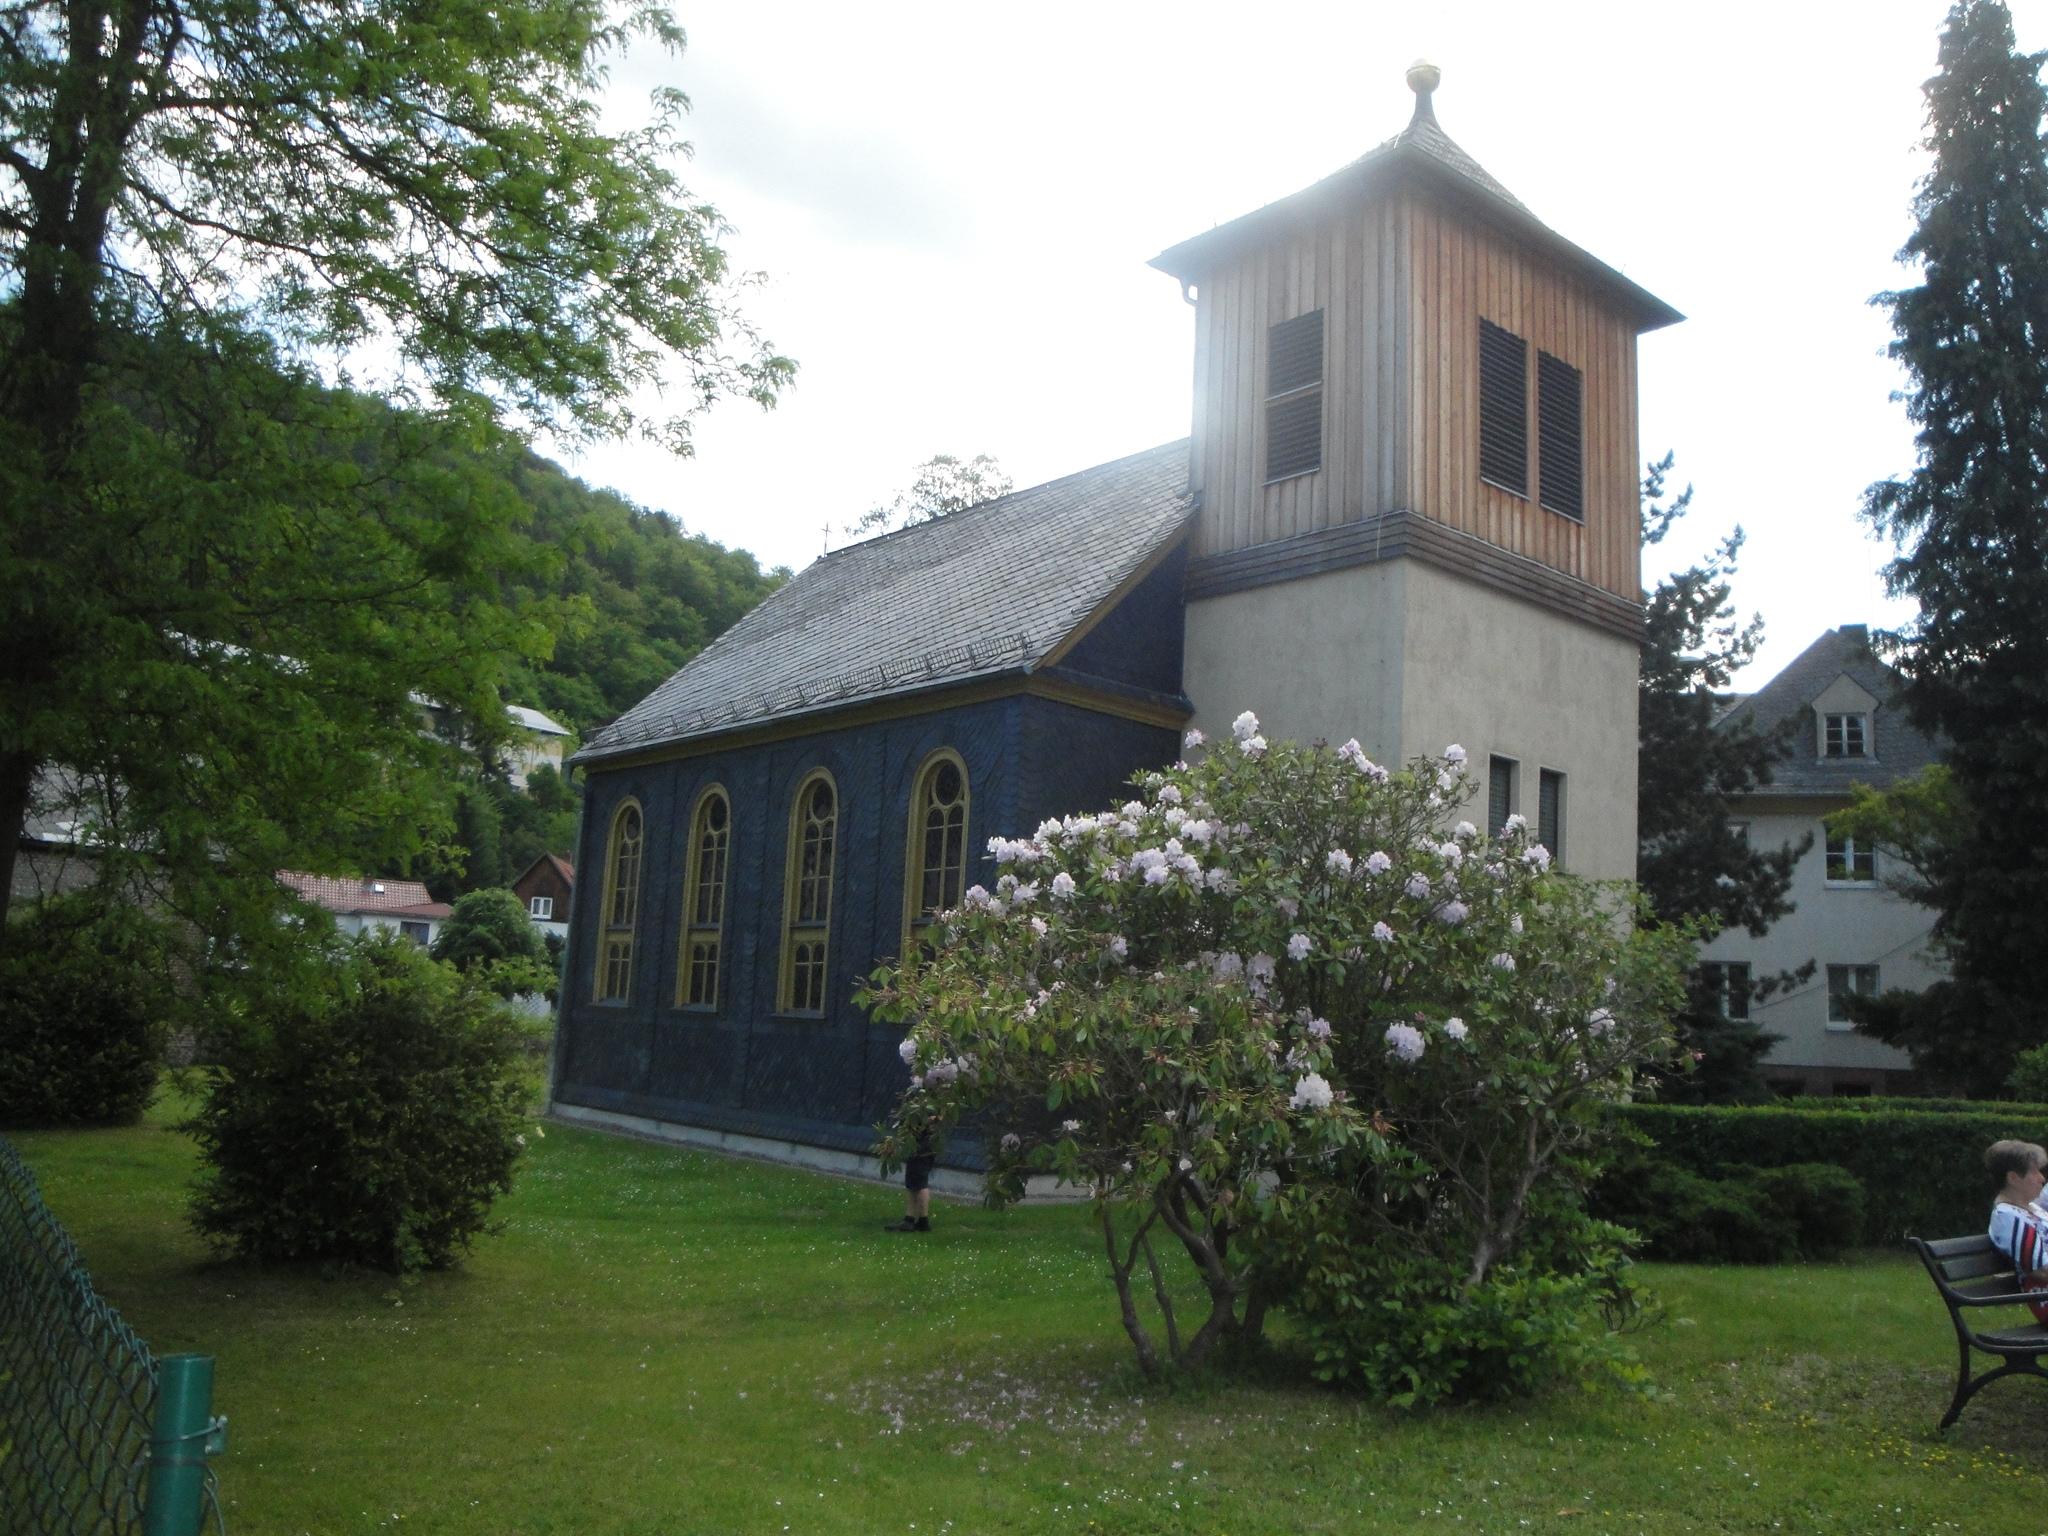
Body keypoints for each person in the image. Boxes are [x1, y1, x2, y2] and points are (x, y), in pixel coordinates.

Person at [1985, 1138, 2048, 1323]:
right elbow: (2041, 1271)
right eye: (2034, 1172)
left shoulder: (2033, 1209)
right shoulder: (2007, 1217)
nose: (2042, 1178)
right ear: (2013, 1178)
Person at [884, 1131, 935, 1234]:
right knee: (913, 1181)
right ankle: (910, 1219)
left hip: (921, 1146)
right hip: (920, 1144)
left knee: (920, 1182)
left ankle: (922, 1222)